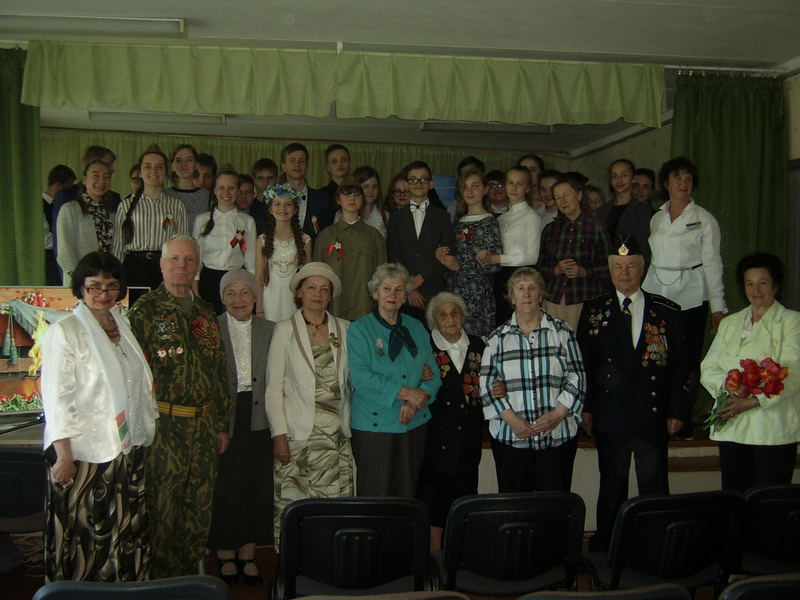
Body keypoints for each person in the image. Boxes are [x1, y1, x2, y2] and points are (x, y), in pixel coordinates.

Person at [41, 251, 157, 582]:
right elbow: (56, 398)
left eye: (110, 285)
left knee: (124, 536)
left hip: (126, 450)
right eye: (94, 285)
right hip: (85, 457)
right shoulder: (65, 332)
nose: (102, 293)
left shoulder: (123, 323)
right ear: (80, 287)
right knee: (88, 541)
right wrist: (63, 454)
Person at [577, 237, 689, 552]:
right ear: (609, 270)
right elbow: (583, 364)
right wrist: (586, 409)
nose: (624, 273)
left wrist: (678, 411)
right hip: (610, 416)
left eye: (630, 267)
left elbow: (681, 367)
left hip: (653, 416)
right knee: (611, 489)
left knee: (654, 487)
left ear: (642, 269)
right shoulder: (594, 309)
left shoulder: (667, 311)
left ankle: (656, 549)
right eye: (617, 267)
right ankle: (607, 551)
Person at [128, 235, 230, 579]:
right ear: (161, 263)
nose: (182, 266)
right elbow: (134, 379)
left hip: (203, 428)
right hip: (165, 428)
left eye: (189, 260)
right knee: (162, 512)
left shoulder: (206, 312)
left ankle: (188, 579)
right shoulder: (143, 312)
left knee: (198, 510)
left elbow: (218, 372)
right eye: (175, 259)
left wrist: (220, 425)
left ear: (198, 265)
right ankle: (160, 583)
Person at [265, 262, 353, 546]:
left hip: (337, 437)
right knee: (297, 508)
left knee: (334, 510)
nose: (318, 294)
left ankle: (329, 567)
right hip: (298, 437)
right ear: (299, 292)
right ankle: (295, 570)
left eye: (324, 289)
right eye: (311, 287)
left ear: (330, 296)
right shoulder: (283, 330)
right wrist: (279, 435)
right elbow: (273, 388)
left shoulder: (346, 329)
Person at [701, 252, 800, 493]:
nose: (756, 289)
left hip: (772, 428)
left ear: (775, 286)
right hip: (732, 424)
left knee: (769, 504)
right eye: (749, 283)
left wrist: (754, 400)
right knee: (735, 502)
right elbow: (708, 368)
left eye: (763, 282)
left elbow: (795, 372)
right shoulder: (729, 323)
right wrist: (729, 385)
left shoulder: (792, 322)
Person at [642, 157, 727, 436]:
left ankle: (682, 419)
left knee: (687, 359)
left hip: (691, 297)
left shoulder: (704, 219)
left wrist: (718, 307)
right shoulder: (656, 218)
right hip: (656, 292)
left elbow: (713, 264)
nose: (683, 184)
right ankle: (657, 416)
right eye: (677, 178)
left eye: (688, 178)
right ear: (666, 183)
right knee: (655, 356)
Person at [480, 267, 585, 493]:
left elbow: (578, 376)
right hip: (512, 439)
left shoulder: (563, 332)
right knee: (516, 511)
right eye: (520, 289)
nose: (526, 294)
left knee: (553, 512)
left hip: (557, 437)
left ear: (541, 294)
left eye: (532, 288)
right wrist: (513, 421)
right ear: (511, 297)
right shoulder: (496, 339)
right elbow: (487, 386)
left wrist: (557, 415)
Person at [347, 263, 442, 497]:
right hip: (374, 426)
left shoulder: (417, 327)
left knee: (407, 496)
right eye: (386, 288)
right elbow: (362, 378)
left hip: (414, 423)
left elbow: (435, 375)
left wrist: (414, 402)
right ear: (375, 292)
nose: (392, 294)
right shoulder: (359, 329)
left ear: (406, 296)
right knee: (375, 497)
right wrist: (408, 392)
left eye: (399, 289)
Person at [208, 269, 275, 586]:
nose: (238, 300)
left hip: (260, 415)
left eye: (245, 292)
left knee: (256, 485)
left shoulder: (271, 329)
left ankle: (248, 552)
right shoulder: (210, 328)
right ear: (222, 298)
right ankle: (224, 552)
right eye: (231, 293)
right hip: (225, 415)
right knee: (226, 486)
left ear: (255, 297)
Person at [416, 292, 485, 551]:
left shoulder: (479, 346)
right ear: (434, 320)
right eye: (442, 314)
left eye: (455, 312)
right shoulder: (424, 347)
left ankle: (460, 556)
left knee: (465, 498)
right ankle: (434, 561)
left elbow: (488, 385)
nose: (450, 318)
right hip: (434, 438)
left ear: (464, 316)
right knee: (434, 502)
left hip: (468, 437)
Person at [113, 146, 189, 295]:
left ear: (166, 173)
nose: (153, 172)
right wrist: (116, 277)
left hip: (165, 267)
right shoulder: (126, 205)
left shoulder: (177, 206)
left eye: (159, 167)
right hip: (133, 267)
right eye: (148, 167)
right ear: (140, 172)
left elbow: (183, 246)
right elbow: (118, 247)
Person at [538, 177, 611, 331]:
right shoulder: (551, 229)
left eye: (566, 195)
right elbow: (539, 268)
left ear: (578, 195)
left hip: (584, 297)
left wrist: (584, 271)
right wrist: (556, 269)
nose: (563, 201)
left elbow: (609, 266)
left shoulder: (596, 227)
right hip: (554, 298)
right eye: (558, 198)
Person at [386, 161, 455, 321]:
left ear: (431, 184)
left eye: (423, 179)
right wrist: (410, 287)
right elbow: (394, 254)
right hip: (403, 291)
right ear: (408, 184)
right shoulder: (396, 218)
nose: (418, 184)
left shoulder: (443, 216)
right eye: (413, 180)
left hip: (432, 290)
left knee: (432, 338)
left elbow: (446, 253)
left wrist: (421, 278)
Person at [437, 168, 502, 337]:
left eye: (475, 186)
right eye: (465, 187)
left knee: (475, 345)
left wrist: (460, 266)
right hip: (453, 290)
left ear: (485, 189)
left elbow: (495, 265)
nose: (469, 191)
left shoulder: (490, 222)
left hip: (477, 295)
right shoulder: (457, 223)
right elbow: (452, 255)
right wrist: (441, 255)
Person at [477, 165, 542, 327]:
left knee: (521, 324)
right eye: (510, 183)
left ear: (528, 188)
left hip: (522, 277)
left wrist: (498, 258)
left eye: (519, 184)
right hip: (501, 277)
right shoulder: (501, 219)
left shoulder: (531, 217)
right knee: (503, 324)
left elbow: (532, 256)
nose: (514, 188)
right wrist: (487, 254)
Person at [313, 181, 387, 320]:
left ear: (363, 199)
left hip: (365, 307)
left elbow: (381, 274)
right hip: (334, 306)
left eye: (357, 195)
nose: (352, 199)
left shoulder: (374, 236)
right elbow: (318, 273)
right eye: (347, 194)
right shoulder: (326, 236)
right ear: (338, 200)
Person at [193, 171, 257, 314]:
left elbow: (251, 262)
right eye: (221, 187)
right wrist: (196, 292)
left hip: (236, 281)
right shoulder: (201, 221)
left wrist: (253, 293)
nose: (226, 192)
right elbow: (197, 259)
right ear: (215, 190)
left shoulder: (247, 222)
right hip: (209, 281)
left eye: (231, 188)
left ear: (237, 191)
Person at [255, 183, 311, 321]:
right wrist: (259, 307)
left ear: (295, 209)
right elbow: (259, 278)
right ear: (270, 209)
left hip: (294, 300)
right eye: (277, 204)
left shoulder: (305, 241)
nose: (282, 209)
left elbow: (308, 278)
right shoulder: (262, 240)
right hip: (270, 299)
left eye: (288, 204)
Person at [56, 160, 115, 286]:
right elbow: (65, 253)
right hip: (81, 283)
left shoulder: (111, 213)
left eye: (106, 177)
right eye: (95, 176)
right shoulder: (70, 210)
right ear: (84, 180)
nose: (101, 181)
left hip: (108, 283)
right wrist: (80, 281)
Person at [595, 159, 652, 267]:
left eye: (624, 175)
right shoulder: (602, 211)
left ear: (634, 178)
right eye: (615, 177)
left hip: (629, 271)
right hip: (604, 271)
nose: (619, 180)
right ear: (611, 181)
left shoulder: (643, 211)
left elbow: (644, 249)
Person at [279, 143, 334, 244]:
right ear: (283, 167)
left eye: (302, 161)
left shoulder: (322, 199)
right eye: (292, 161)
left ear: (307, 167)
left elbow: (326, 236)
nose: (297, 165)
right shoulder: (275, 199)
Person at [42, 164, 76, 285]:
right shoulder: (40, 205)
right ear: (58, 187)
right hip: (48, 263)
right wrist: (65, 242)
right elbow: (44, 240)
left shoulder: (56, 205)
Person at [167, 144, 210, 233]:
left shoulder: (207, 196)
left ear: (196, 165)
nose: (184, 164)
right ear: (173, 166)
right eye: (179, 160)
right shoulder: (164, 195)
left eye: (189, 160)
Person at [350, 165, 387, 237]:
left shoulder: (386, 216)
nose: (370, 191)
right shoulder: (343, 215)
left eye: (375, 187)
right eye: (366, 187)